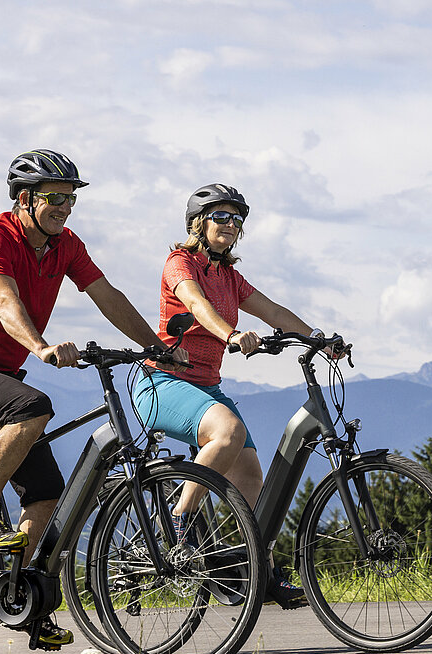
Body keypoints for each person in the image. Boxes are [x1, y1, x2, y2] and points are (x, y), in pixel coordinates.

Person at [0, 149, 175, 649]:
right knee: (32, 406)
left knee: (45, 496)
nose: (65, 207)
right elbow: (3, 299)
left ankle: (22, 599)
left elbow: (107, 295)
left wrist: (156, 347)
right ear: (24, 199)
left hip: (0, 376)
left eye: (71, 199)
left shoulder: (66, 245)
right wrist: (38, 346)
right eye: (55, 197)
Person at [131, 183, 338, 610]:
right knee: (227, 433)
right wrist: (230, 333)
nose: (230, 224)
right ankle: (179, 524)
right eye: (221, 216)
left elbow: (273, 311)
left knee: (250, 478)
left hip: (206, 386)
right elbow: (197, 303)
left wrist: (316, 338)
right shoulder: (179, 263)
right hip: (161, 383)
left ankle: (255, 568)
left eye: (237, 219)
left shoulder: (229, 275)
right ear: (198, 223)